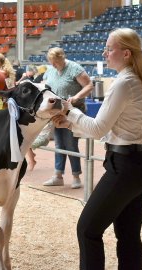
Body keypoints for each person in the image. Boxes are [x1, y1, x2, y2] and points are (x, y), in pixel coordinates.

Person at [52, 28, 142, 269]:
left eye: (110, 48)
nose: (105, 52)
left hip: (126, 168)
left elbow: (99, 129)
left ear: (126, 54)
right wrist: (71, 123)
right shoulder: (135, 80)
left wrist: (69, 110)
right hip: (139, 164)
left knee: (87, 230)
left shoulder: (123, 83)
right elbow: (110, 129)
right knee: (128, 236)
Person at [42, 47, 93, 189]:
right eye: (51, 62)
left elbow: (89, 85)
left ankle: (76, 176)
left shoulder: (74, 68)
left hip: (73, 110)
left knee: (71, 144)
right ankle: (58, 175)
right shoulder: (51, 69)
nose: (53, 65)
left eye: (55, 62)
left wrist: (77, 97)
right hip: (57, 110)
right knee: (59, 144)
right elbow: (46, 85)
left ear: (62, 59)